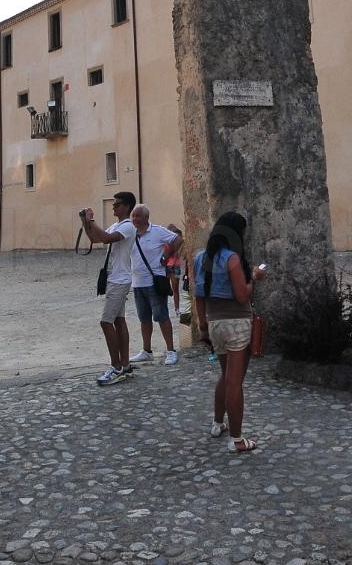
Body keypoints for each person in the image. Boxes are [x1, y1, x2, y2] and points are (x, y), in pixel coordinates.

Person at [193, 210, 267, 453]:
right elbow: (242, 294)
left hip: (214, 323)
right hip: (237, 323)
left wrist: (203, 327)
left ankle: (217, 423)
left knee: (225, 376)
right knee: (235, 383)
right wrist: (254, 277)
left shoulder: (201, 258)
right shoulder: (232, 259)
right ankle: (237, 440)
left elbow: (199, 296)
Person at [78, 191, 137, 386]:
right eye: (113, 204)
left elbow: (105, 238)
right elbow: (95, 238)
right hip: (115, 278)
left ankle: (117, 367)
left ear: (127, 207)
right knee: (119, 321)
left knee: (106, 322)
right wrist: (85, 222)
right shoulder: (117, 225)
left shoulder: (128, 226)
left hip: (119, 280)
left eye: (117, 204)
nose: (114, 207)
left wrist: (91, 219)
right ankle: (125, 365)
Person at [128, 205, 181, 366]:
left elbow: (178, 239)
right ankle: (146, 351)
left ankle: (171, 351)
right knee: (144, 318)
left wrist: (166, 256)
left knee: (162, 316)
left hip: (154, 281)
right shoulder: (130, 233)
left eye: (137, 216)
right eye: (133, 216)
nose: (134, 219)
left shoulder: (157, 231)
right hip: (138, 283)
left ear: (146, 217)